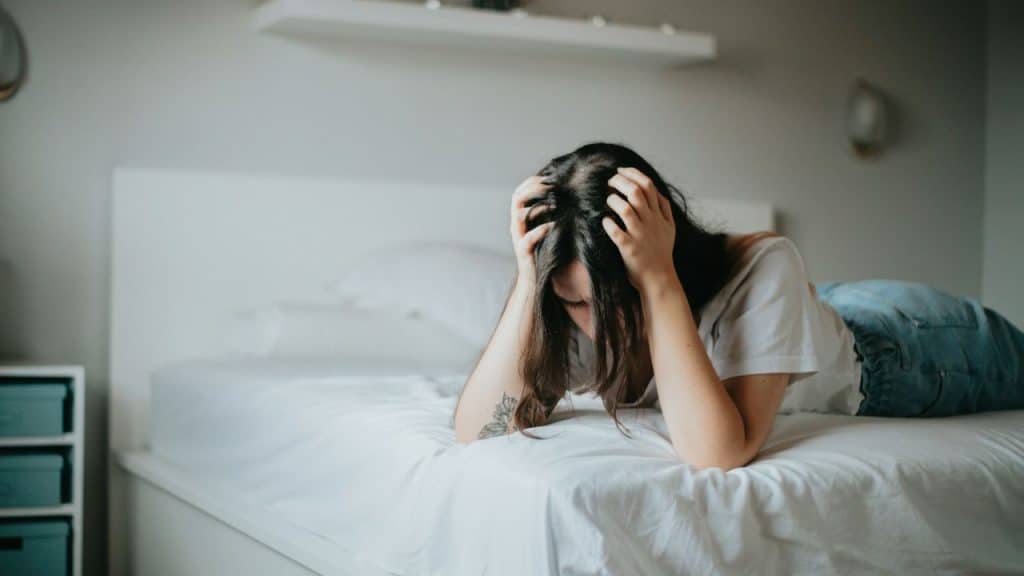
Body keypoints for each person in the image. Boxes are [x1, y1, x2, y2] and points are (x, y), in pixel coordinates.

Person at [451, 142, 1024, 470]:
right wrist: (530, 283)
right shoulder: (566, 295)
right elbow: (479, 431)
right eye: (576, 303)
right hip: (807, 315)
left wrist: (657, 278)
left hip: (901, 348)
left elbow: (719, 451)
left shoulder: (763, 263)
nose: (596, 326)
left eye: (613, 302)